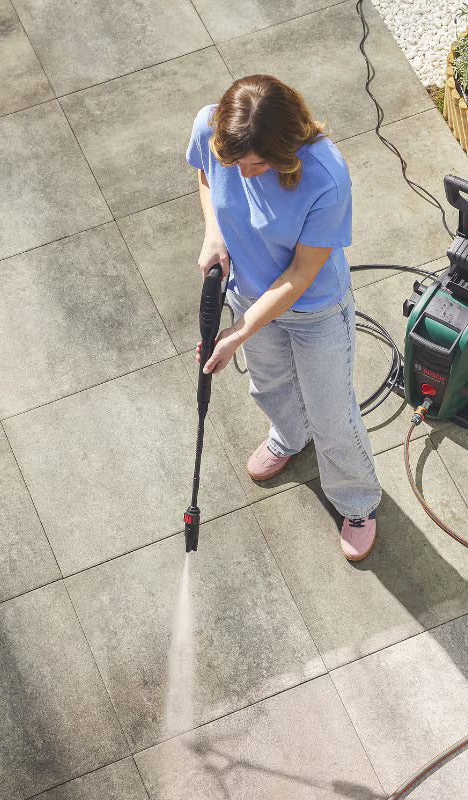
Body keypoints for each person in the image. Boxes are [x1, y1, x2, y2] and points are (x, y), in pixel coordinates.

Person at [186, 75, 382, 561]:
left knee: (332, 413)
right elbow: (207, 175)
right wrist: (214, 232)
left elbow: (299, 275)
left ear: (285, 144)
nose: (246, 172)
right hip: (247, 295)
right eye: (237, 161)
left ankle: (357, 501)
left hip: (315, 310)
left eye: (257, 163)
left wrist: (238, 332)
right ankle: (290, 437)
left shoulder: (324, 175)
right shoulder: (213, 130)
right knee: (269, 385)